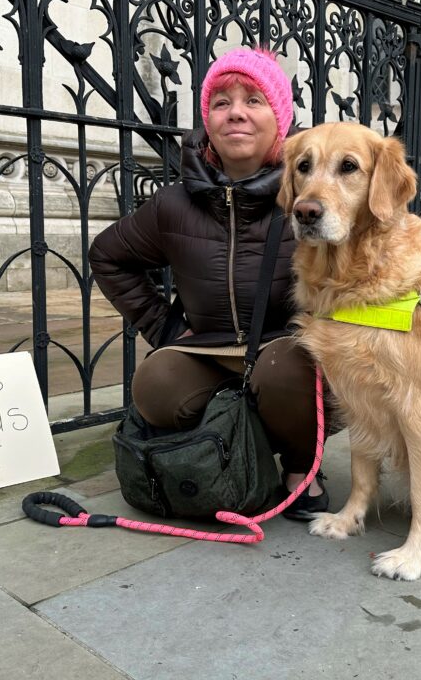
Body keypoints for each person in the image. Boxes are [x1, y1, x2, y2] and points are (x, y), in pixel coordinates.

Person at [88, 47, 327, 520]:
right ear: (208, 120)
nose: (236, 111)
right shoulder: (174, 203)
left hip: (290, 347)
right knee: (156, 384)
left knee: (282, 369)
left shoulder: (311, 196)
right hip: (211, 346)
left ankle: (303, 466)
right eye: (221, 101)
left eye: (253, 100)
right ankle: (242, 449)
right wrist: (167, 331)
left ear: (279, 119)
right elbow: (108, 256)